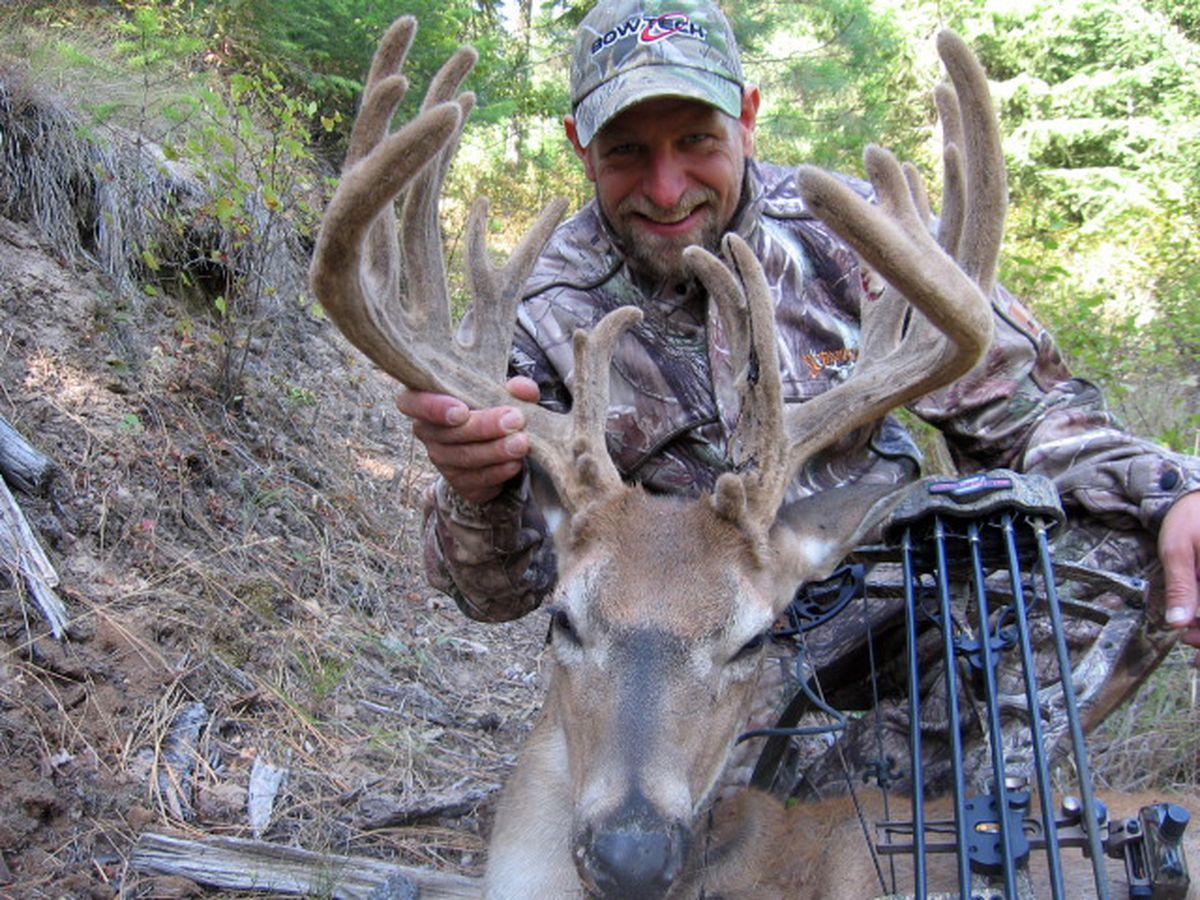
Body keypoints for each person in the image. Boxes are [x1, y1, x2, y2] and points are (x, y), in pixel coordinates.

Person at [398, 0, 1200, 789]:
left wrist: (1175, 496)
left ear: (747, 117)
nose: (668, 188)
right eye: (627, 152)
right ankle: (763, 804)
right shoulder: (542, 306)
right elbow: (494, 593)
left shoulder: (853, 234)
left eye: (697, 141)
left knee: (1131, 555)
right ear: (582, 147)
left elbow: (1030, 413)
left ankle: (908, 795)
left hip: (897, 606)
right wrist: (480, 493)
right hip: (688, 654)